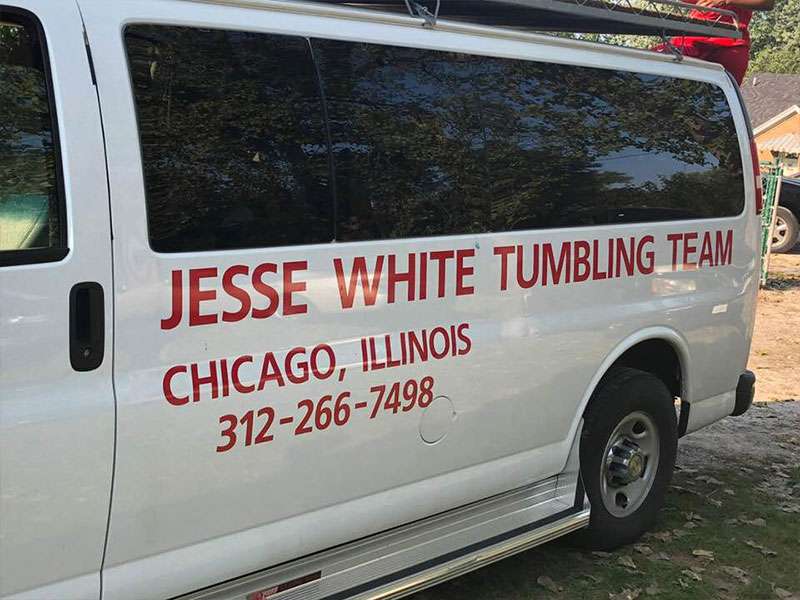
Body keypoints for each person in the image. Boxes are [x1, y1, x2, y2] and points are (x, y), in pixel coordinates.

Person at [653, 0, 775, 84]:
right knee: (654, 64)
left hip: (730, 45)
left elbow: (767, 2)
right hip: (692, 38)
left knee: (722, 99)